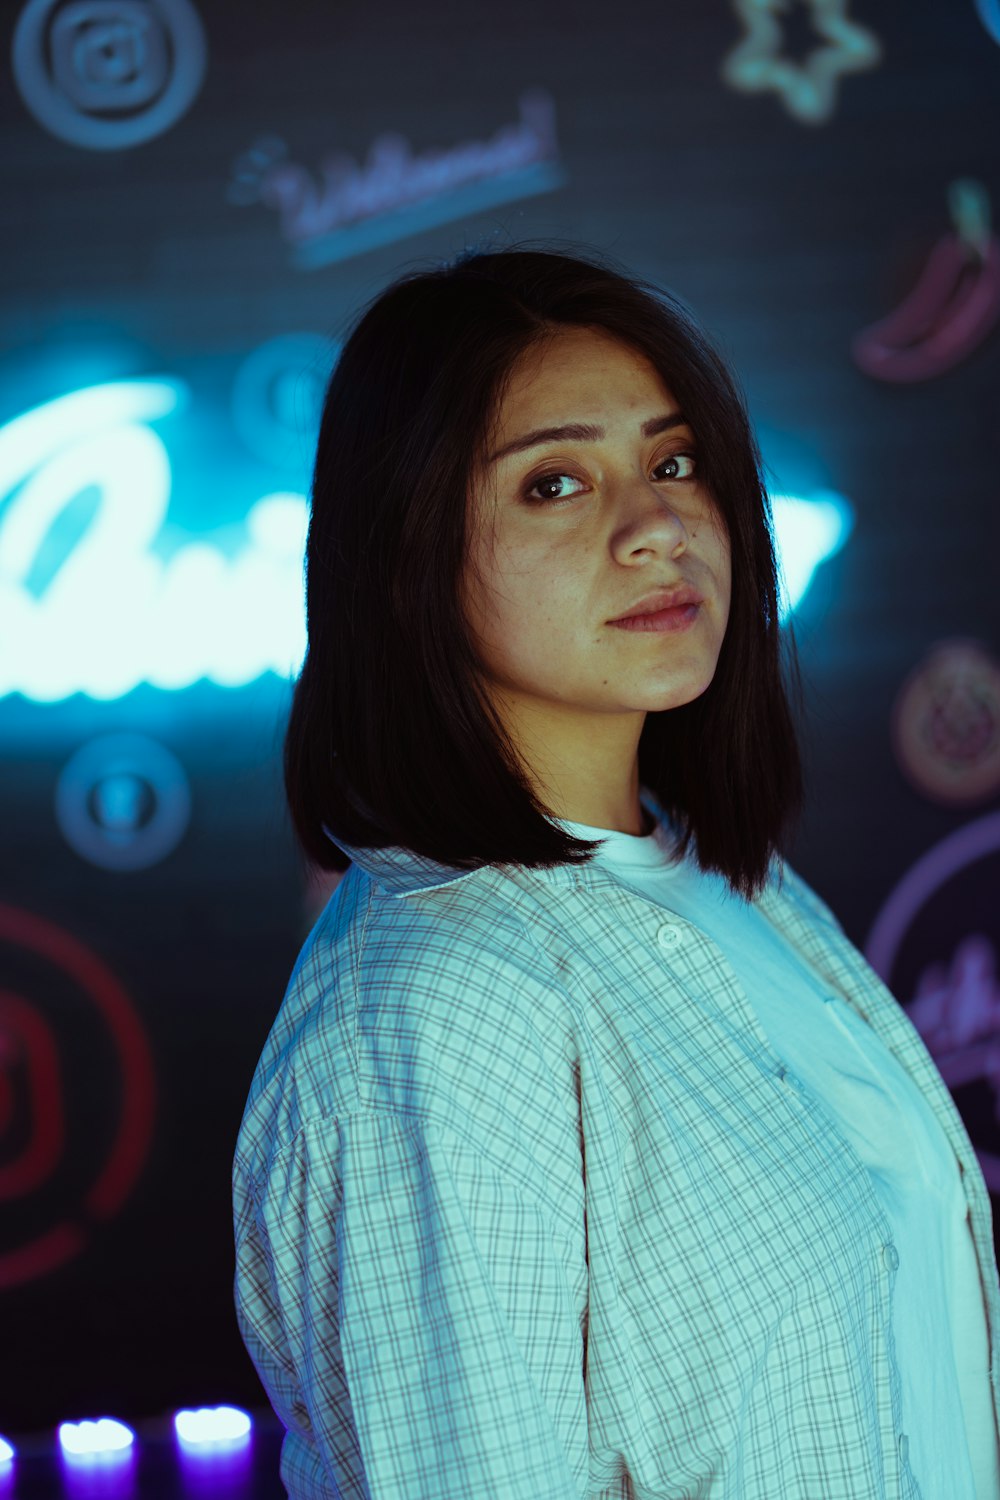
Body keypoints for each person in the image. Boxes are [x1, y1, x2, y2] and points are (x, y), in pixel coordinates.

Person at [231, 241, 1000, 1499]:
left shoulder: (729, 877)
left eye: (673, 460)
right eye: (553, 484)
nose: (655, 527)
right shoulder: (435, 1010)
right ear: (407, 556)